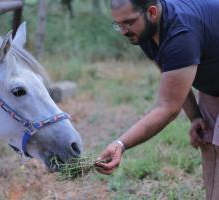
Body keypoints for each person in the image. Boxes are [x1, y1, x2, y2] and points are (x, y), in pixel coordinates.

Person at [94, 0, 219, 199]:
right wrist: (195, 116)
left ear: (151, 12)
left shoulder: (180, 34)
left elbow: (167, 108)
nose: (124, 31)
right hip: (213, 84)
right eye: (118, 25)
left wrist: (120, 143)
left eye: (127, 23)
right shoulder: (145, 30)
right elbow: (170, 72)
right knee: (210, 145)